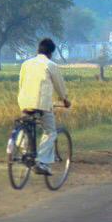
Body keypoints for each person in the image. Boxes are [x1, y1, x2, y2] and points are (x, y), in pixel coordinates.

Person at [17, 38, 71, 175]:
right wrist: (64, 99)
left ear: (38, 50)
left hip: (24, 102)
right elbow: (59, 85)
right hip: (41, 105)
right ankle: (41, 161)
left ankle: (23, 149)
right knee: (50, 131)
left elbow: (21, 84)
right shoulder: (50, 65)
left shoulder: (26, 64)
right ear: (51, 53)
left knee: (26, 124)